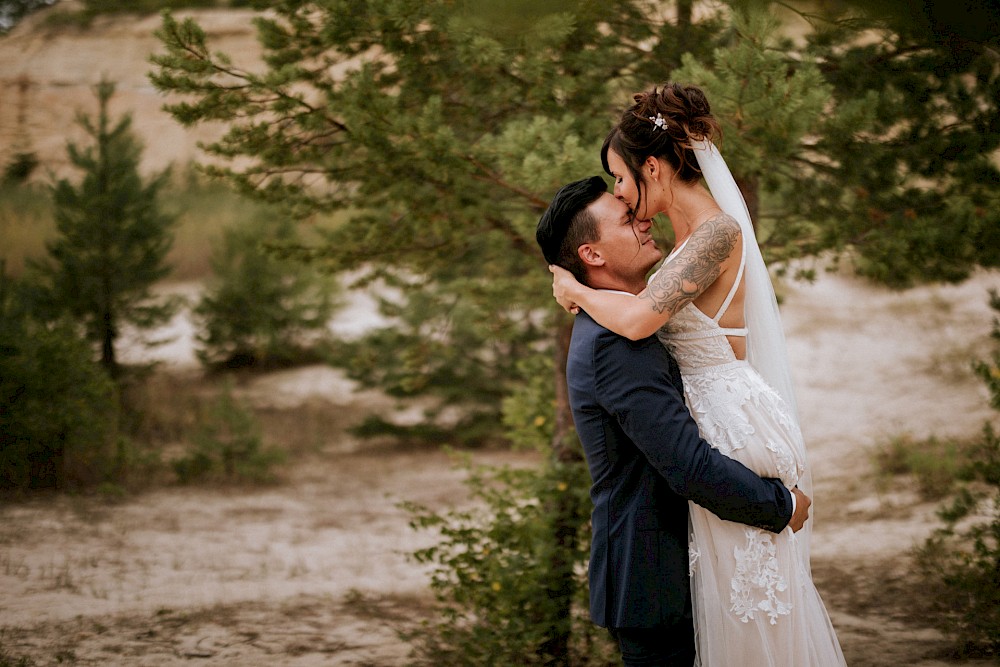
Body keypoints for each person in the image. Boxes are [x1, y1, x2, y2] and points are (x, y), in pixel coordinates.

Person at [549, 84, 847, 665]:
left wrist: (574, 288)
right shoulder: (685, 241)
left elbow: (637, 320)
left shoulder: (713, 232)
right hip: (711, 419)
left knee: (749, 609)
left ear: (652, 167)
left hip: (727, 415)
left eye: (619, 177)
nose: (620, 192)